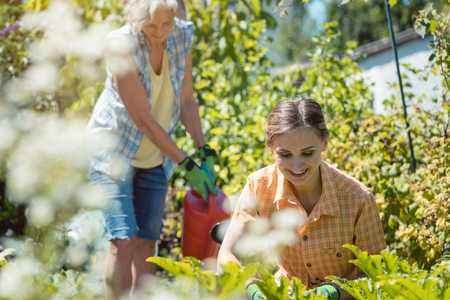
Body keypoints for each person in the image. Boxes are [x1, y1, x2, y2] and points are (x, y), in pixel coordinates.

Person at [86, 0, 218, 298]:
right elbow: (144, 120)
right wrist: (186, 164)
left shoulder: (183, 34)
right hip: (113, 153)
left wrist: (203, 150)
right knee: (123, 240)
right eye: (150, 26)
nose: (159, 33)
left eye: (166, 23)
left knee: (147, 243)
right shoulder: (121, 45)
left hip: (155, 156)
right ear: (135, 20)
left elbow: (186, 100)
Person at [217, 96, 386, 300]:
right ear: (271, 148)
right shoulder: (258, 186)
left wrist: (331, 293)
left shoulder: (357, 199)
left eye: (307, 153)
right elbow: (226, 256)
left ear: (324, 143)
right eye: (285, 155)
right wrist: (253, 289)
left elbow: (375, 275)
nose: (296, 166)